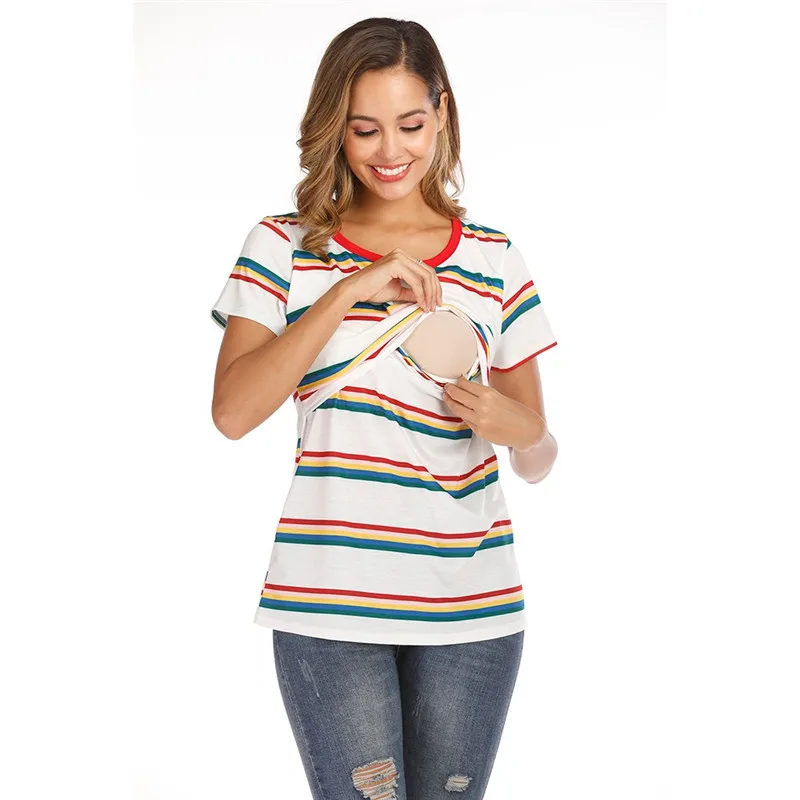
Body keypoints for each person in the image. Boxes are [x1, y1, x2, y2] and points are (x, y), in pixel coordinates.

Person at [209, 17, 559, 800]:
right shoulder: (283, 245)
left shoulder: (494, 257)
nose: (389, 150)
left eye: (410, 124)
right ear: (335, 126)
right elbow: (233, 413)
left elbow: (538, 456)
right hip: (330, 603)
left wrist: (523, 431)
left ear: (442, 112)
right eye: (364, 128)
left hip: (472, 609)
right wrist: (347, 291)